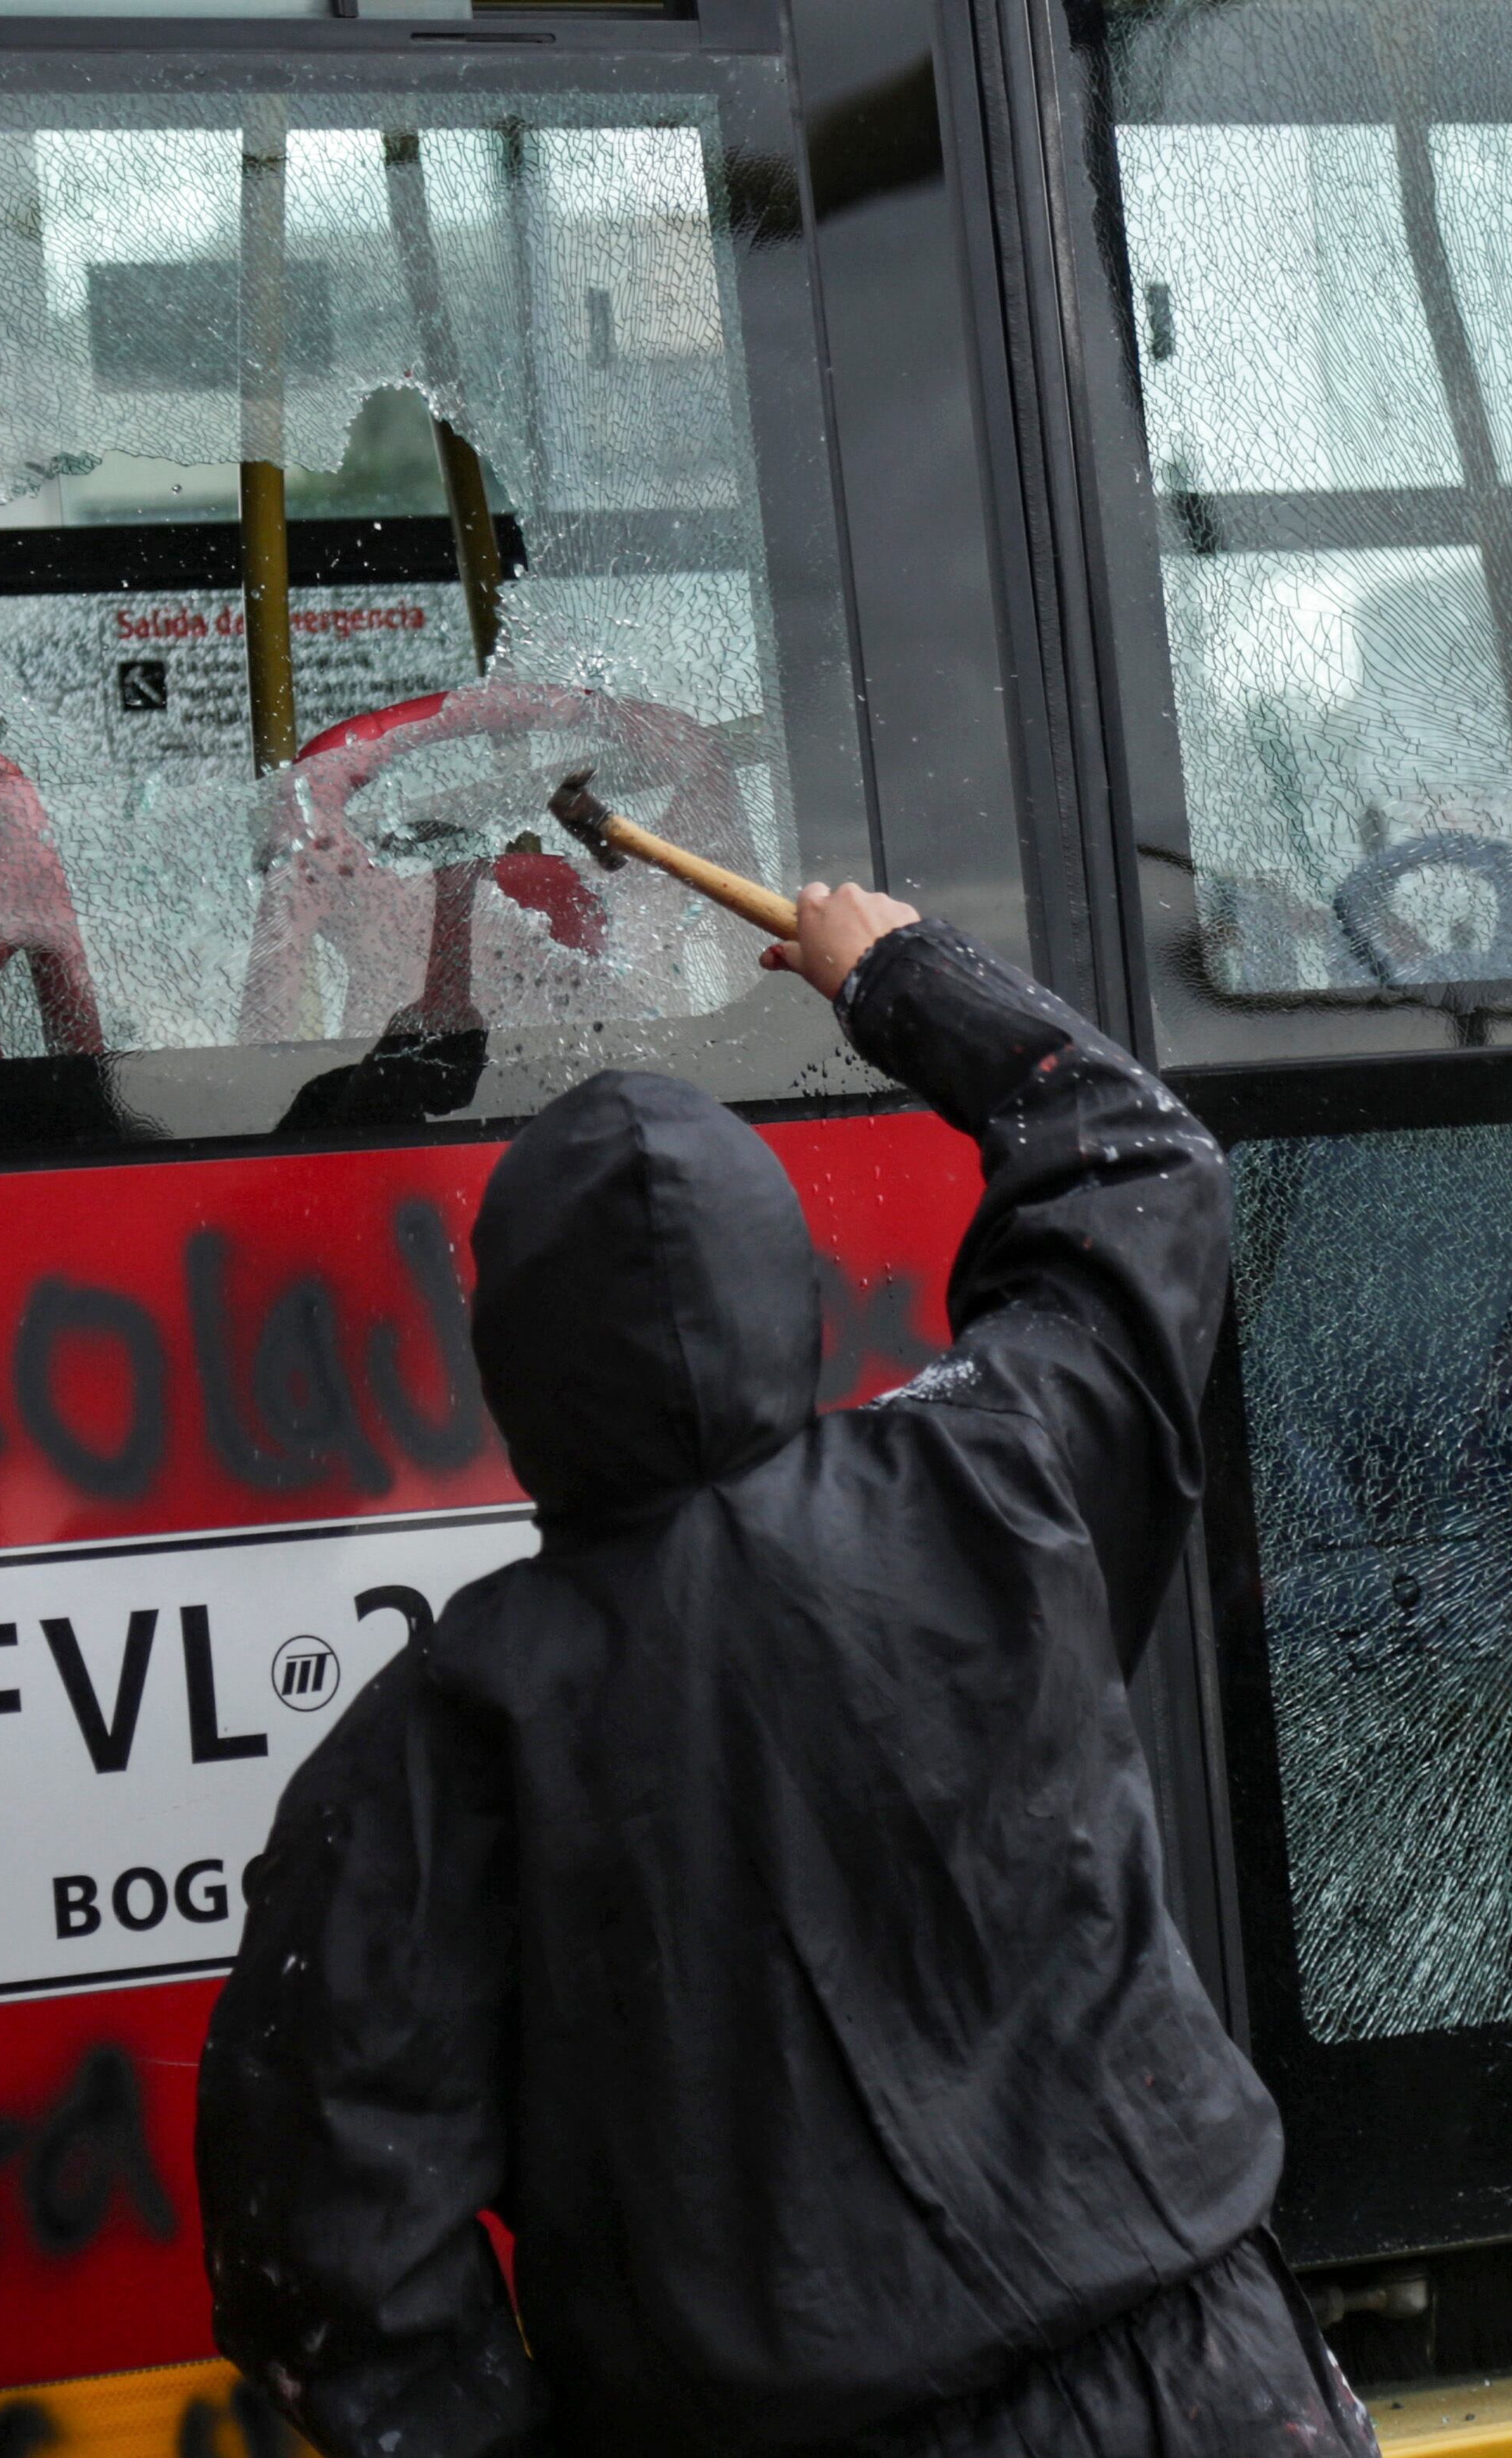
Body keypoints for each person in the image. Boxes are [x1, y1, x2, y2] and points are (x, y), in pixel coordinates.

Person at [196, 887, 1374, 2458]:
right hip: (1209, 2385)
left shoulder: (435, 1735)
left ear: (512, 1363)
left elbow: (323, 2239)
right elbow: (1140, 1164)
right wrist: (893, 971)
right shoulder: (995, 1482)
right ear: (790, 1298)